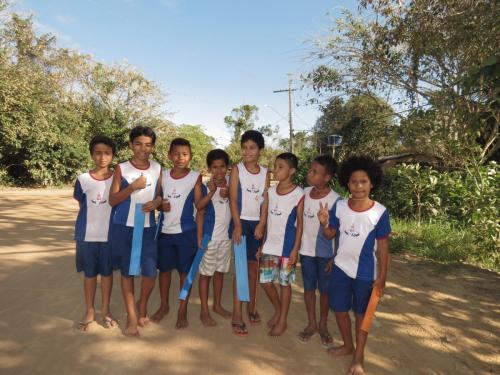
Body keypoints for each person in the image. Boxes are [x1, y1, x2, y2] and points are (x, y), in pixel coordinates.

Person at [318, 155, 390, 375]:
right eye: (353, 181)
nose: (358, 186)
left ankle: (359, 356)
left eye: (364, 181)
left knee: (361, 315)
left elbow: (383, 248)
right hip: (340, 268)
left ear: (372, 183)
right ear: (347, 183)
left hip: (365, 274)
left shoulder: (379, 212)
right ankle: (348, 346)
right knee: (339, 309)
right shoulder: (339, 206)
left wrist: (382, 277)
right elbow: (331, 235)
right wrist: (324, 223)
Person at [109, 125, 162, 337]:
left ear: (153, 147)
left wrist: (155, 203)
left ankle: (142, 305)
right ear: (131, 145)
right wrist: (132, 187)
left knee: (150, 273)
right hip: (124, 227)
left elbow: (159, 196)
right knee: (127, 273)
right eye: (138, 144)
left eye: (148, 145)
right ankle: (132, 317)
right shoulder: (121, 169)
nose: (143, 149)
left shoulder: (158, 168)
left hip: (147, 227)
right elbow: (112, 200)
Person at [152, 138, 202, 329]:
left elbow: (200, 206)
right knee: (164, 271)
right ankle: (164, 306)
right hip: (164, 232)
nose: (180, 158)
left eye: (185, 154)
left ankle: (182, 309)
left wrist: (199, 235)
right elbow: (157, 199)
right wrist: (160, 205)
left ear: (190, 156)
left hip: (186, 233)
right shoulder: (162, 176)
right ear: (169, 155)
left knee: (184, 273)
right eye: (176, 153)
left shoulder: (195, 177)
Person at [229, 130, 270, 336]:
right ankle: (237, 314)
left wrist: (262, 224)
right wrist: (237, 225)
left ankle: (251, 307)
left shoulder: (265, 172)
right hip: (240, 224)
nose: (247, 152)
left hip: (258, 226)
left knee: (254, 269)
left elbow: (265, 200)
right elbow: (233, 199)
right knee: (241, 270)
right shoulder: (237, 169)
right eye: (244, 147)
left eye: (252, 148)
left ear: (260, 151)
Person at [74, 135, 117, 331]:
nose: (102, 157)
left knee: (107, 274)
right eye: (98, 153)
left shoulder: (118, 178)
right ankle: (90, 310)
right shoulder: (82, 179)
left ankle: (105, 310)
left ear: (113, 155)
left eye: (107, 153)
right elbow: (81, 203)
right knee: (90, 274)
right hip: (87, 236)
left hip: (110, 236)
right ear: (92, 154)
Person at [258, 152, 304, 336]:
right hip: (270, 246)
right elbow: (266, 220)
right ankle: (279, 310)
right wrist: (261, 245)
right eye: (275, 166)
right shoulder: (269, 192)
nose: (276, 170)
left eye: (280, 167)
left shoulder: (298, 194)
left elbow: (300, 224)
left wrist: (295, 249)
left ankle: (283, 320)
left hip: (287, 248)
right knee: (266, 282)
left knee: (285, 284)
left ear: (291, 170)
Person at [298, 155, 341, 347]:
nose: (310, 173)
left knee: (325, 291)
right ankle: (311, 323)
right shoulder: (303, 193)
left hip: (326, 255)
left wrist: (335, 257)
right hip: (306, 252)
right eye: (310, 169)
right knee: (308, 289)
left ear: (327, 177)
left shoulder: (337, 201)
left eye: (315, 172)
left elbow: (338, 234)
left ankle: (323, 325)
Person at [196, 149, 232, 327]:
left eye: (222, 167)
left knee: (220, 273)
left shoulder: (232, 185)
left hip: (226, 239)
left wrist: (229, 194)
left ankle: (217, 305)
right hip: (209, 239)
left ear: (228, 168)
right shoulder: (205, 186)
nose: (219, 171)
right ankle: (204, 310)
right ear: (209, 169)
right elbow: (199, 209)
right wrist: (200, 236)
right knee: (205, 275)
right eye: (214, 167)